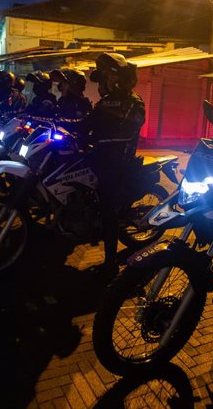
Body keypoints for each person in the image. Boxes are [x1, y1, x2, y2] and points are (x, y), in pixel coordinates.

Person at [57, 53, 145, 275]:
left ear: (117, 78)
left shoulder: (133, 102)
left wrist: (94, 139)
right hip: (99, 156)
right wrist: (57, 123)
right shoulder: (104, 103)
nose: (100, 82)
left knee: (107, 210)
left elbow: (123, 134)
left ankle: (110, 263)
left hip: (117, 162)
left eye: (105, 76)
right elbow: (85, 124)